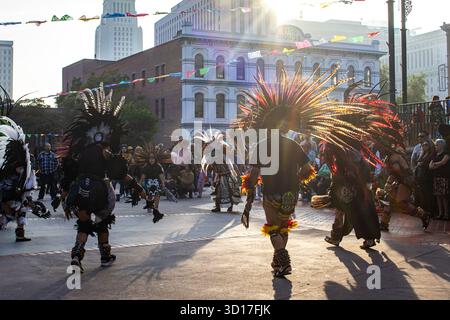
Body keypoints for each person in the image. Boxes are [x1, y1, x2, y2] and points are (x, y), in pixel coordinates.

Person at [58, 84, 147, 272]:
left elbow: (68, 175)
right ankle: (105, 256)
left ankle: (76, 255)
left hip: (80, 190)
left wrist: (65, 196)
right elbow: (121, 175)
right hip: (98, 190)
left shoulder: (80, 154)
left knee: (83, 225)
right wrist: (137, 187)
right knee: (101, 222)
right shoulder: (106, 153)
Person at [0, 85, 50, 241]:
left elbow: (27, 193)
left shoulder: (26, 170)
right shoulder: (7, 173)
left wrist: (31, 205)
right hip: (7, 191)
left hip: (18, 191)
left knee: (21, 207)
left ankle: (20, 231)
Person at [377, 146, 431, 231]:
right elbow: (393, 173)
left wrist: (390, 180)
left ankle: (423, 215)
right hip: (399, 181)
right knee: (389, 201)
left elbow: (397, 170)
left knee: (401, 202)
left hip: (405, 181)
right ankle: (384, 223)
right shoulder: (390, 157)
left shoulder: (394, 157)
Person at [414, 139, 436, 216]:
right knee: (422, 195)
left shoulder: (432, 155)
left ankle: (431, 211)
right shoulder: (422, 154)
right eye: (423, 145)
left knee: (428, 195)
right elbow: (417, 163)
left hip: (427, 178)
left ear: (430, 146)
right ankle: (423, 211)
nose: (424, 146)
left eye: (426, 145)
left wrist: (421, 164)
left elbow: (430, 166)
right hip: (420, 178)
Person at [429, 139, 449, 220]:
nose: (435, 146)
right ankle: (440, 213)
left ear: (441, 145)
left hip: (443, 177)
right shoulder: (435, 155)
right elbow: (430, 166)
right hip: (436, 177)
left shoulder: (446, 154)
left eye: (437, 145)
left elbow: (443, 162)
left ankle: (446, 214)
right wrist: (436, 164)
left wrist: (435, 164)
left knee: (444, 196)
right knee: (438, 196)